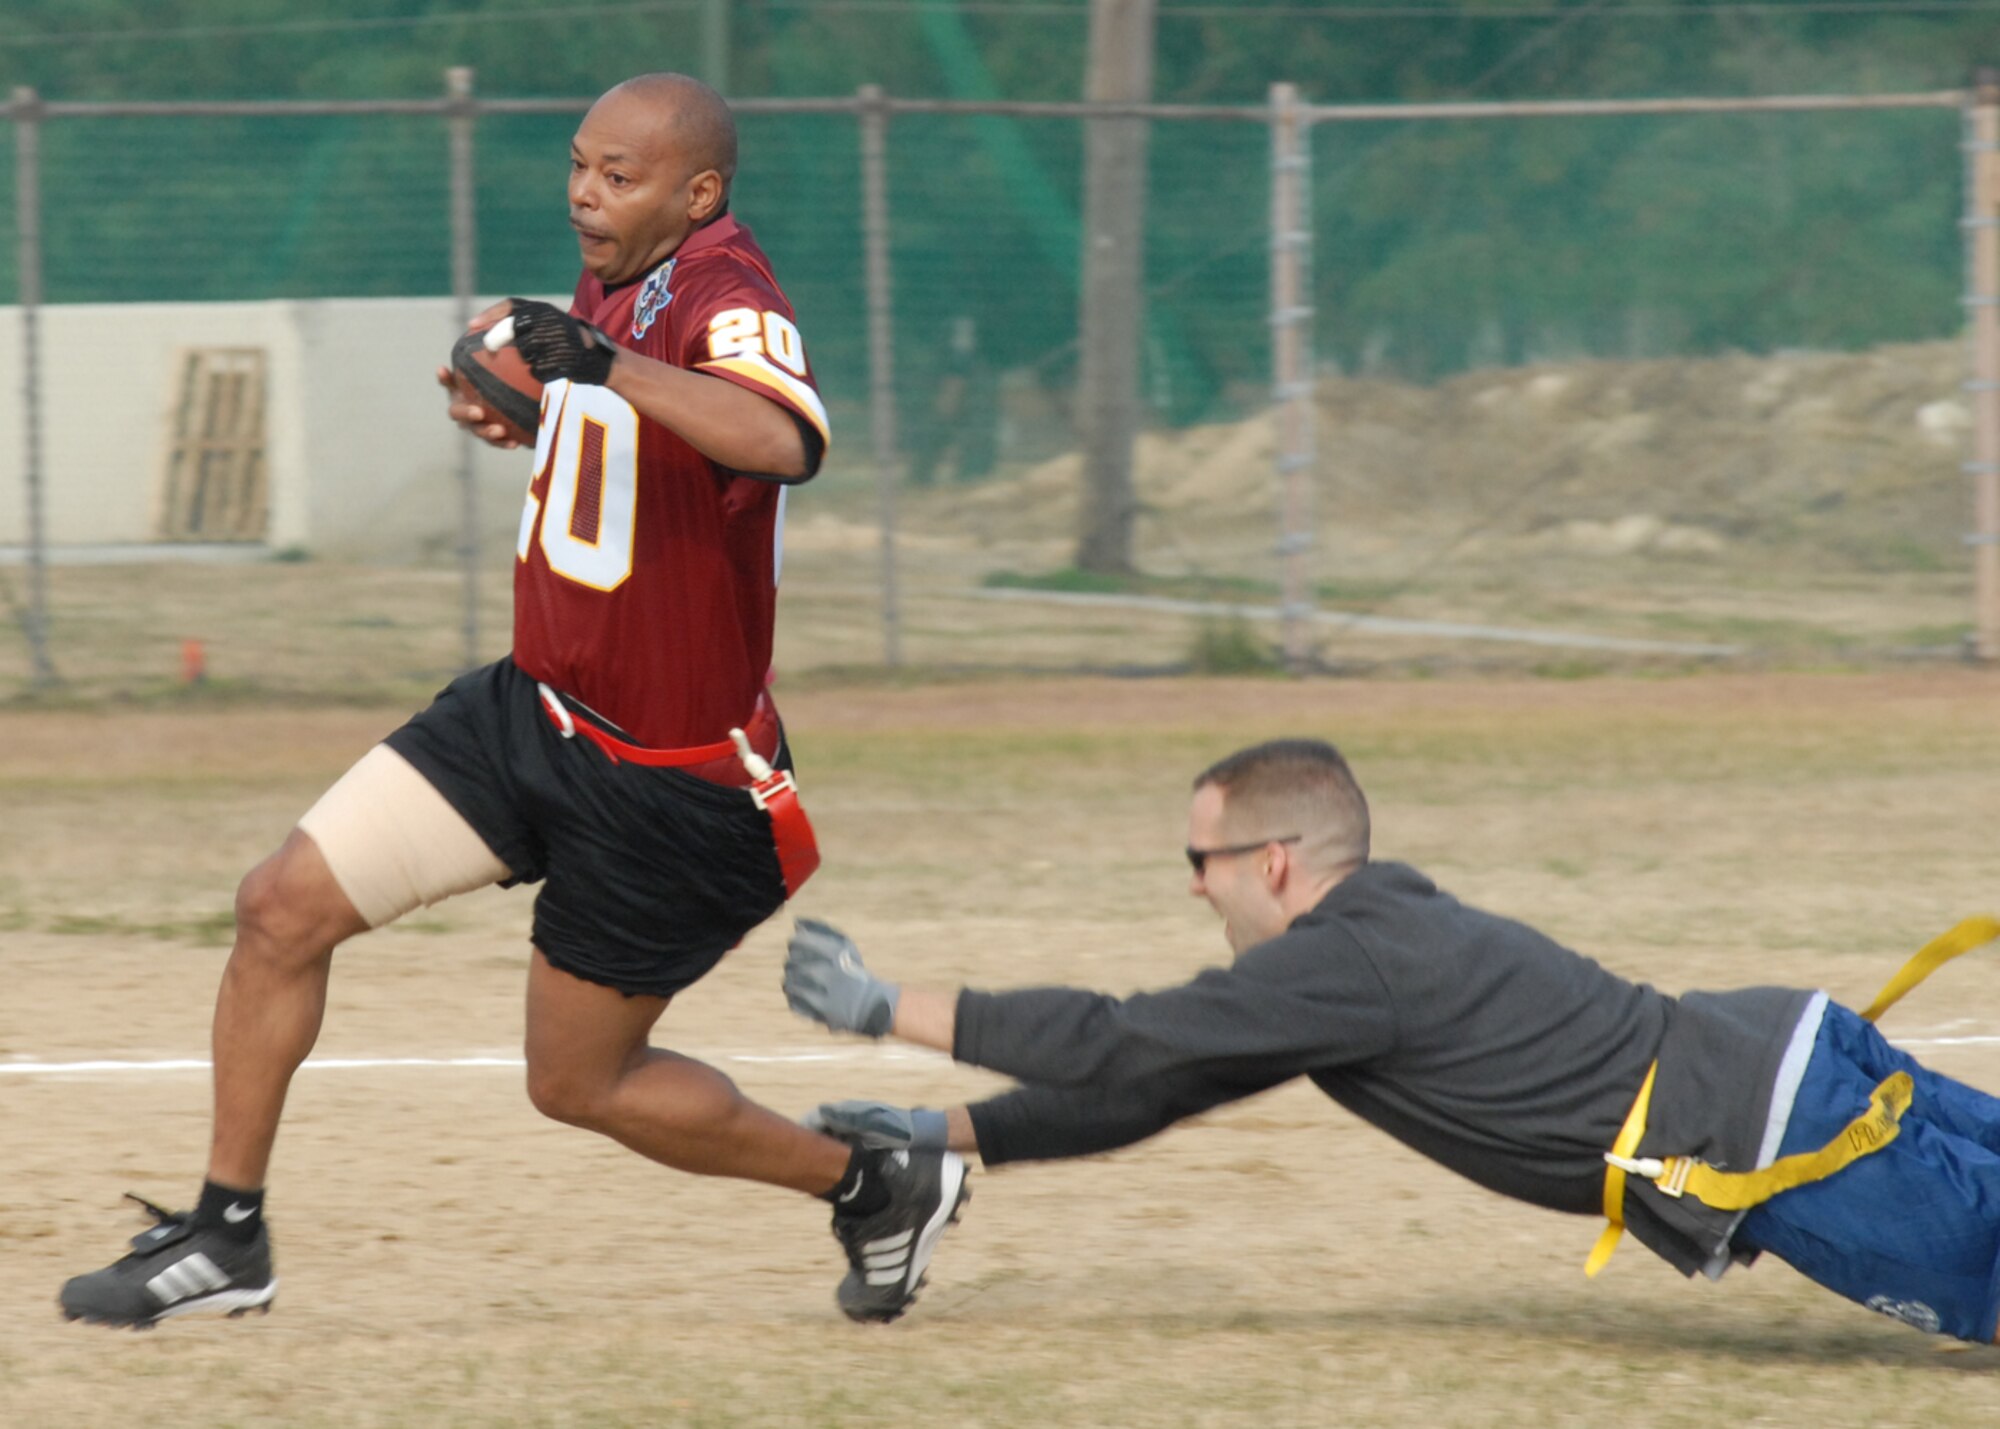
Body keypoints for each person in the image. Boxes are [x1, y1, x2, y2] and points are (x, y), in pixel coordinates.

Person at [59, 72, 966, 1332]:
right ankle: (226, 1237)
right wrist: (537, 412)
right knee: (280, 907)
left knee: (579, 1083)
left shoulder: (726, 289)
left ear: (697, 194)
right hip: (531, 708)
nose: (588, 196)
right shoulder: (615, 281)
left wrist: (601, 367)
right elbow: (630, 441)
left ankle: (871, 1177)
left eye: (621, 176)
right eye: (581, 168)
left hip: (669, 778)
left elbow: (780, 440)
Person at [783, 737, 2000, 1344]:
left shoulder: (1340, 963)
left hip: (1775, 1136)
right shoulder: (1376, 925)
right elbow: (1151, 1086)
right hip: (1790, 1055)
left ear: (1269, 862)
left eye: (1197, 864)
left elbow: (1110, 1039)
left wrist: (883, 1003)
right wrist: (938, 1132)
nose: (1193, 891)